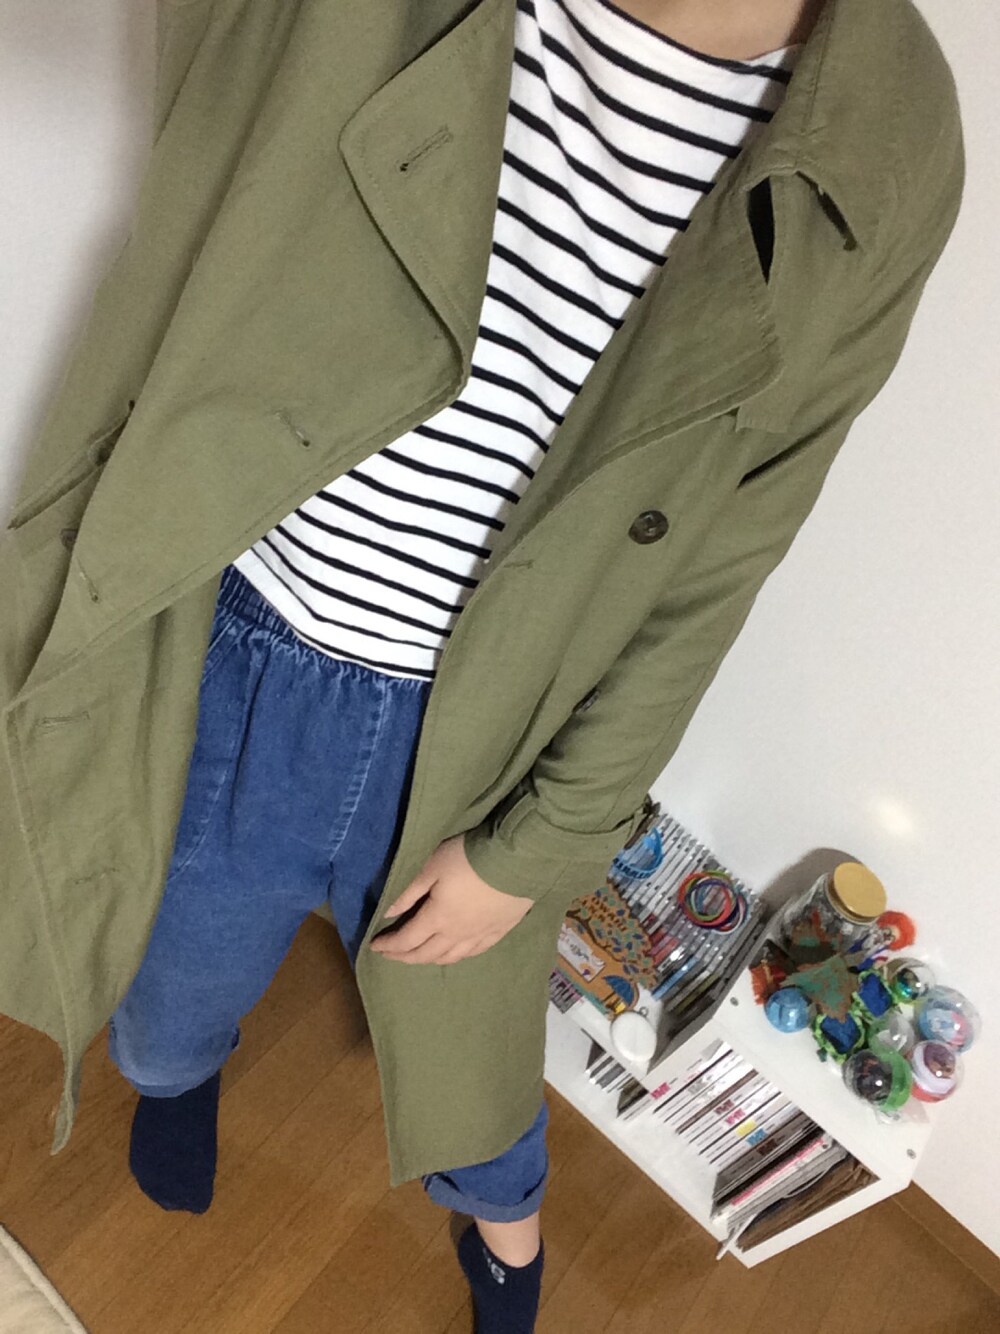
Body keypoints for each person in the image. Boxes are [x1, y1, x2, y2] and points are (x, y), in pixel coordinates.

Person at [0, 3, 963, 1332]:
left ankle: (509, 1227)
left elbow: (719, 562)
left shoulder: (890, 133)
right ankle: (176, 1082)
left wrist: (540, 845)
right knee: (171, 989)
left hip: (485, 734)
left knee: (473, 1064)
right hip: (238, 639)